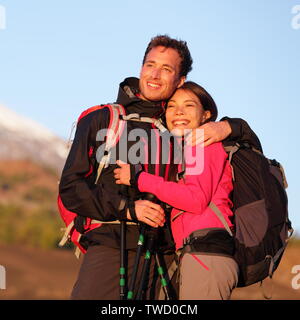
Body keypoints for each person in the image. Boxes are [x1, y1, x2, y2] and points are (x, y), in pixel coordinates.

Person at [59, 34, 258, 300]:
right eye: (150, 64)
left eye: (167, 69)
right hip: (110, 245)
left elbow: (250, 147)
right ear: (141, 67)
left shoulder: (186, 128)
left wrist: (230, 126)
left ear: (180, 80)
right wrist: (128, 209)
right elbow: (71, 188)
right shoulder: (103, 119)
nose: (155, 74)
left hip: (169, 255)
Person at [114, 81, 239, 300]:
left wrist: (139, 179)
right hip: (197, 254)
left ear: (206, 115)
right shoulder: (183, 150)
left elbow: (195, 199)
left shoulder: (202, 143)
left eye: (189, 105)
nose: (178, 112)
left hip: (206, 253)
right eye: (172, 106)